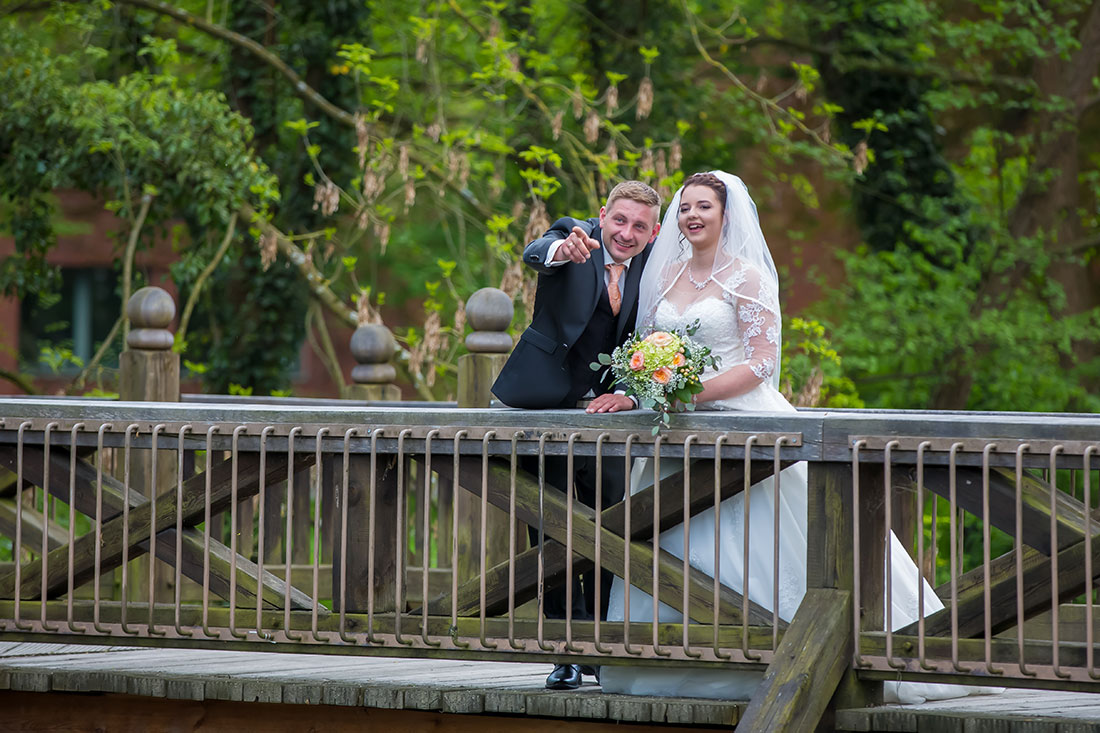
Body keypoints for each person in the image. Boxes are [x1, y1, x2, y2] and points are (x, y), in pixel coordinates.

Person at [599, 171, 1001, 704]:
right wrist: (643, 389)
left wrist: (690, 393)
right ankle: (668, 657)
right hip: (674, 436)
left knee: (764, 537)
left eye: (705, 207)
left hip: (745, 426)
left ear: (726, 216)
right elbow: (646, 349)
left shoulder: (747, 277)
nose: (692, 215)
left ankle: (805, 655)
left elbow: (762, 364)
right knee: (671, 535)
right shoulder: (664, 274)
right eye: (686, 207)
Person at [492, 180, 662, 690]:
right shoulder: (575, 237)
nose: (626, 233)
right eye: (619, 220)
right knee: (550, 531)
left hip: (611, 422)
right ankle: (565, 651)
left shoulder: (653, 271)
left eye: (639, 226)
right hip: (546, 410)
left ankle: (602, 649)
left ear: (654, 233)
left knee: (611, 531)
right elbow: (538, 251)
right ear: (603, 214)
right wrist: (561, 250)